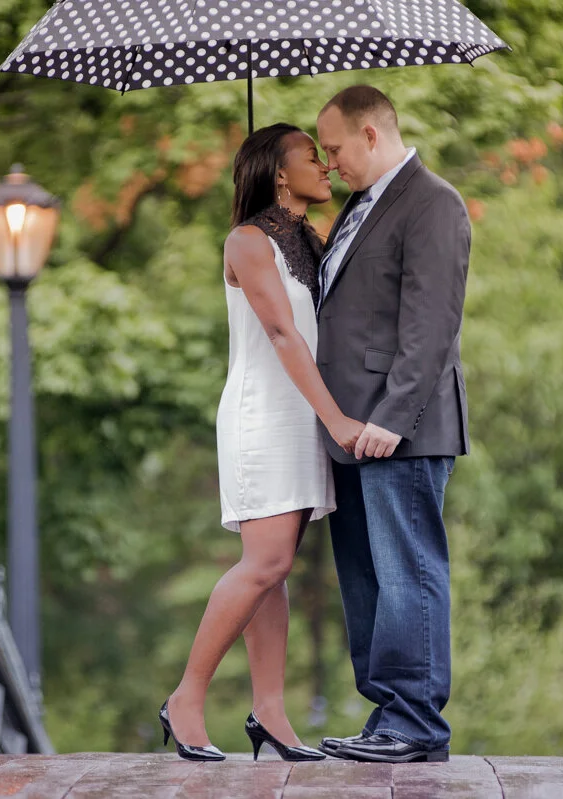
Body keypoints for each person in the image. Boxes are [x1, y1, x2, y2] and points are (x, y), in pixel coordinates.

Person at [159, 123, 365, 762]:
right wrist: (336, 420)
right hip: (264, 417)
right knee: (265, 564)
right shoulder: (248, 241)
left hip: (299, 415)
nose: (325, 166)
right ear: (279, 172)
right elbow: (280, 336)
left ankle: (270, 712)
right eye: (313, 157)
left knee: (274, 571)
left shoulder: (314, 241)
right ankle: (186, 698)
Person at [313, 86, 471, 764]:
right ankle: (387, 714)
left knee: (408, 571)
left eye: (335, 149)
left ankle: (416, 722)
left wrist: (391, 420)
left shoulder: (433, 202)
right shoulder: (357, 208)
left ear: (371, 135)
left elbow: (431, 327)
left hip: (399, 429)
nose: (328, 166)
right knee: (367, 579)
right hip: (351, 431)